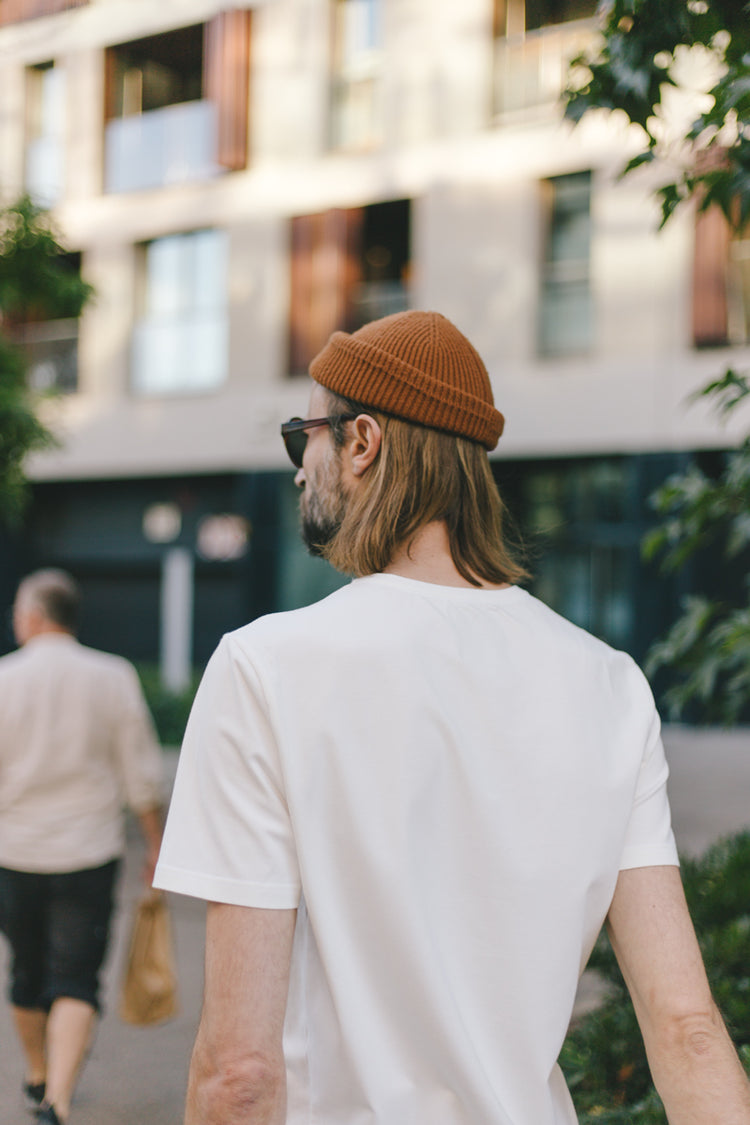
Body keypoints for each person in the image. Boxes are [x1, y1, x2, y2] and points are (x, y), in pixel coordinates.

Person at [154, 310, 750, 1124]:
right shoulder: (609, 683)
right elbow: (687, 1030)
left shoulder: (266, 668)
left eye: (306, 438)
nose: (299, 469)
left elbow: (240, 1072)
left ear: (362, 441)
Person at [0, 568, 165, 1125]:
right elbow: (140, 772)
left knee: (26, 971)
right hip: (87, 854)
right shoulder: (112, 675)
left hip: (14, 853)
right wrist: (155, 844)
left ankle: (38, 1072)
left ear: (32, 616)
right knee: (74, 975)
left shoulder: (3, 677)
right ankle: (59, 1102)